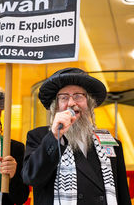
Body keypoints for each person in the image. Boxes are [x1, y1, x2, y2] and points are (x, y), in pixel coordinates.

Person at [22, 67, 131, 205]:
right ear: (56, 107)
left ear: (89, 104)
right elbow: (31, 177)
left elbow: (122, 195)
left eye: (78, 96)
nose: (72, 103)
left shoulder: (111, 143)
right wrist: (55, 136)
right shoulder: (39, 137)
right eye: (64, 97)